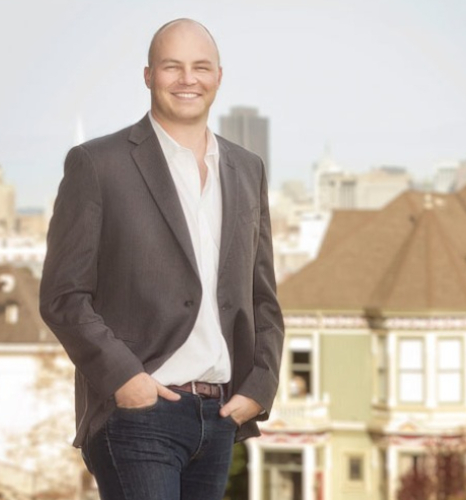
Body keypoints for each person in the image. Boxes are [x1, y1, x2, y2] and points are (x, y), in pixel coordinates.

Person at [39, 18, 284, 500]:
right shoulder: (98, 164)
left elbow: (263, 296)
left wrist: (261, 386)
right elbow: (63, 295)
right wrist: (126, 380)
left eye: (200, 67)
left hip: (218, 418)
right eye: (172, 66)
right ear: (149, 75)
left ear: (218, 76)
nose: (187, 79)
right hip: (138, 415)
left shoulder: (246, 169)